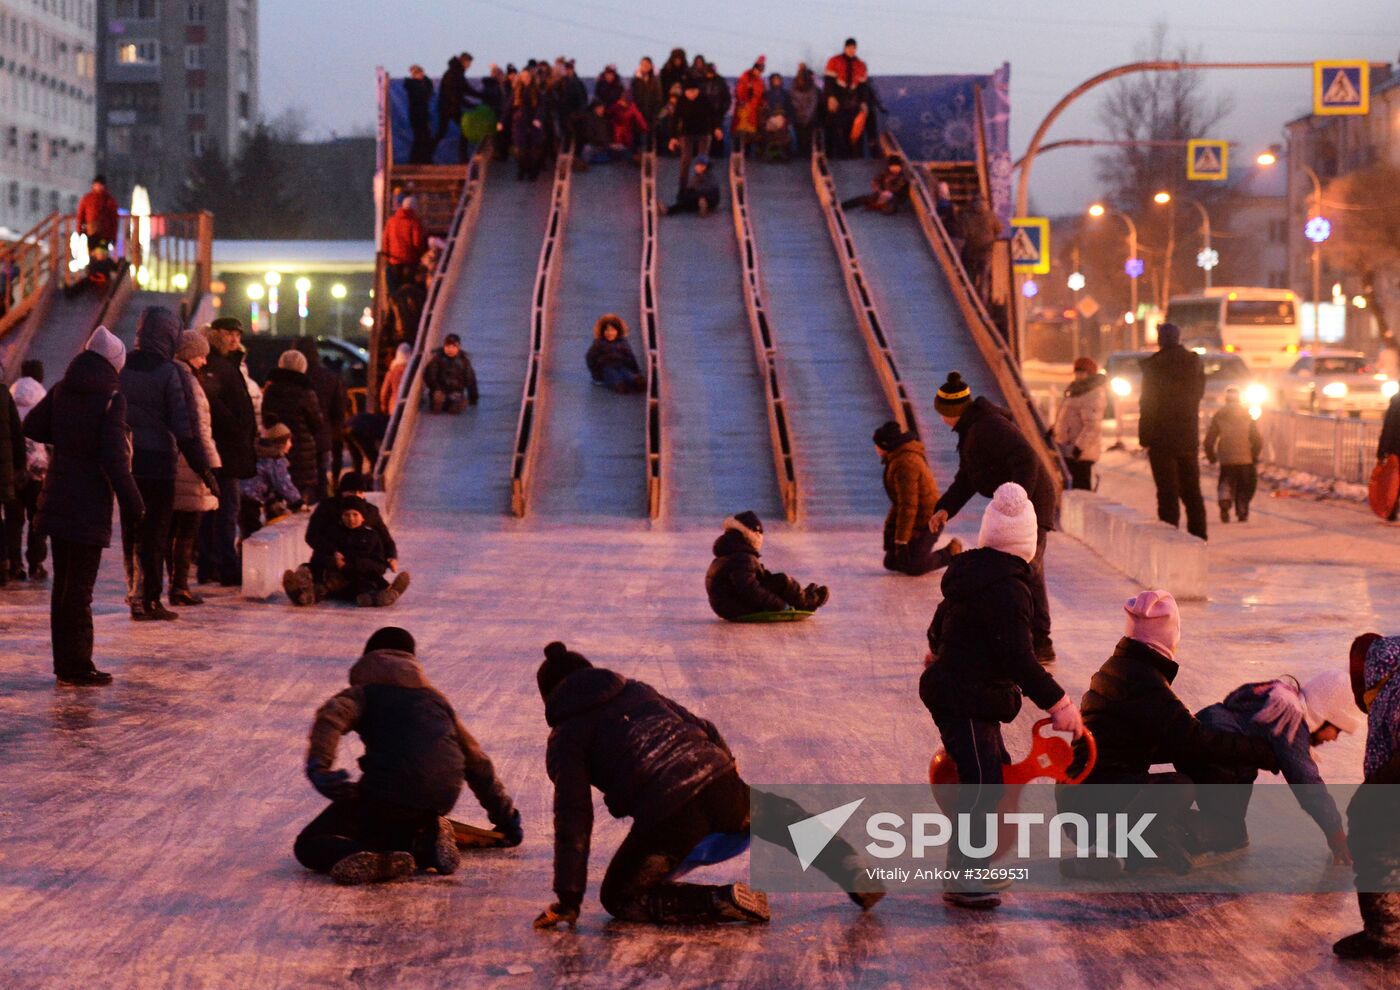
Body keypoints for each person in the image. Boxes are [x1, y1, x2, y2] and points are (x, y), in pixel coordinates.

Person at [531, 641, 882, 929]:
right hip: (719, 783)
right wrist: (726, 770)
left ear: (550, 698)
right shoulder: (637, 690)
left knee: (620, 896)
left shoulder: (566, 738)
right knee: (782, 816)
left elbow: (573, 817)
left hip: (670, 818)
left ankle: (718, 902)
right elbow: (705, 727)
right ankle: (852, 869)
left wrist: (568, 898)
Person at [920, 482, 1084, 909]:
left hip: (965, 691)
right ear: (1027, 543)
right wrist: (1060, 704)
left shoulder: (969, 576)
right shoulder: (1011, 589)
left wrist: (938, 649)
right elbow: (1018, 658)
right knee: (981, 785)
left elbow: (939, 625)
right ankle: (964, 877)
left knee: (989, 773)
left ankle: (974, 864)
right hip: (964, 696)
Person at [1059, 591, 1278, 876]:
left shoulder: (1120, 669)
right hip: (1096, 809)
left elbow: (1168, 739)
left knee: (1193, 823)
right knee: (1178, 786)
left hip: (1087, 802)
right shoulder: (1144, 682)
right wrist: (1265, 752)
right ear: (1170, 635)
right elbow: (1193, 741)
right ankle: (1105, 851)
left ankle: (1142, 849)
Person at [294, 626, 522, 885]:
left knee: (309, 844)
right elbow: (477, 762)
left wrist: (319, 767)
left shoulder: (364, 693)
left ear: (368, 659)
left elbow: (331, 717)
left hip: (389, 794)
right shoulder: (435, 699)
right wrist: (506, 818)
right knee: (389, 818)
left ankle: (364, 856)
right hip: (440, 797)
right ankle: (424, 842)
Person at [24, 328, 144, 685]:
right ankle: (79, 665)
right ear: (114, 363)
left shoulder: (63, 388)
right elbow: (114, 458)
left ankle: (65, 663)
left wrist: (68, 437)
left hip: (58, 495)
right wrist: (134, 502)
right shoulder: (110, 398)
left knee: (64, 585)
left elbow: (32, 424)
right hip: (89, 502)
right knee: (80, 589)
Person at [930, 372, 1059, 663]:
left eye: (942, 413)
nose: (940, 420)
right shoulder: (972, 430)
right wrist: (945, 508)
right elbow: (967, 478)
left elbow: (1026, 459)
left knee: (1026, 571)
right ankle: (1032, 640)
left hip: (1032, 504)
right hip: (1021, 505)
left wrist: (1017, 501)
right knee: (1023, 570)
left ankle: (1035, 643)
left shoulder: (988, 426)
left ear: (953, 411)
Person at [1179, 670, 1360, 860]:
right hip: (1214, 755)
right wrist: (1335, 833)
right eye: (1337, 730)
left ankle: (1168, 820)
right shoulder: (1290, 719)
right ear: (1323, 716)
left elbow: (1234, 702)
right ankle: (1165, 827)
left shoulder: (1279, 695)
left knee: (1231, 827)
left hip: (1212, 746)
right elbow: (1307, 784)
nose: (1333, 738)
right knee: (1230, 833)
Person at [119, 307, 216, 621]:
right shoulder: (170, 373)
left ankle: (134, 594)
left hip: (128, 463)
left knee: (132, 531)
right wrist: (204, 470)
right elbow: (185, 428)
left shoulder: (122, 366)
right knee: (155, 533)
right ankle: (150, 600)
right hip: (159, 464)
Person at [1334, 634, 1400, 960]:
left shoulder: (1394, 690)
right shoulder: (1389, 688)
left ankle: (1387, 932)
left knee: (1370, 823)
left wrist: (1375, 791)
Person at [198, 318, 257, 586]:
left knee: (216, 508)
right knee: (225, 508)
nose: (234, 339)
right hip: (224, 448)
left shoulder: (228, 363)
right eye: (228, 334)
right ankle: (225, 565)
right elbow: (213, 403)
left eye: (237, 334)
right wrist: (235, 426)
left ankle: (210, 563)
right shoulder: (214, 365)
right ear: (215, 335)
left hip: (229, 447)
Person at [1139, 322, 1207, 540]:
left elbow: (1148, 405)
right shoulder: (1194, 363)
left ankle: (1170, 540)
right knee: (1192, 493)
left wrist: (1145, 437)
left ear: (1161, 340)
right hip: (1188, 437)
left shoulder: (1154, 366)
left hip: (1161, 440)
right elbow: (1199, 394)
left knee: (1167, 494)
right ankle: (1199, 537)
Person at [167, 330, 219, 607]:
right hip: (191, 463)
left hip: (173, 462)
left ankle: (173, 584)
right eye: (200, 355)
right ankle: (180, 587)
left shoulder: (169, 375)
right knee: (186, 530)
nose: (204, 361)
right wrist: (211, 464)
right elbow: (199, 429)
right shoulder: (189, 382)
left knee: (172, 528)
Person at [286, 494, 409, 608]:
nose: (351, 519)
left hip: (358, 576)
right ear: (341, 516)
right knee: (319, 583)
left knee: (365, 585)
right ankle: (301, 594)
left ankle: (384, 595)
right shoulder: (333, 533)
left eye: (355, 515)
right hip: (333, 578)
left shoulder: (371, 537)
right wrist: (333, 560)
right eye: (347, 515)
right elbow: (319, 555)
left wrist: (353, 565)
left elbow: (379, 565)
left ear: (363, 518)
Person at [704, 511, 829, 620]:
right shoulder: (742, 558)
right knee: (783, 581)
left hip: (728, 606)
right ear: (753, 535)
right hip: (736, 608)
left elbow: (761, 578)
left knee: (776, 581)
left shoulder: (732, 554)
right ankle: (807, 602)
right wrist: (781, 606)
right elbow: (750, 590)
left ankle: (801, 596)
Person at [872, 421, 960, 576]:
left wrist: (901, 541)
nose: (875, 448)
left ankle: (951, 552)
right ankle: (911, 550)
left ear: (884, 445)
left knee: (914, 566)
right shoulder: (897, 458)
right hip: (917, 520)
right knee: (891, 562)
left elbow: (908, 506)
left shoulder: (905, 463)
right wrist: (891, 531)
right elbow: (899, 503)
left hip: (931, 520)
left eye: (877, 445)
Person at [262, 350, 327, 504]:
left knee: (278, 496)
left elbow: (266, 418)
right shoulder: (306, 391)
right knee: (300, 496)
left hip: (276, 448)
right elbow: (316, 423)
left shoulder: (271, 390)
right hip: (302, 453)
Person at [6, 361, 48, 581]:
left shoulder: (11, 392)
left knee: (14, 518)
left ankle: (14, 563)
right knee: (37, 517)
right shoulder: (42, 395)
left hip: (14, 466)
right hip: (37, 467)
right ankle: (35, 563)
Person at [295, 337, 347, 497]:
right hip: (322, 438)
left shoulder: (292, 378)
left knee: (296, 481)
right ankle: (322, 512)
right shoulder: (330, 377)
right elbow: (338, 411)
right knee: (321, 478)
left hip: (295, 439)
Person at [1204, 385, 1262, 524]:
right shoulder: (1247, 414)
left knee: (1226, 480)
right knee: (1245, 485)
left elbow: (1209, 439)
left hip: (1226, 457)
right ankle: (1242, 508)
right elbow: (1256, 439)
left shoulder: (1220, 414)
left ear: (1226, 399)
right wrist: (1254, 455)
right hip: (1245, 457)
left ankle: (1225, 498)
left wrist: (1211, 456)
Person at [1053, 357, 1107, 491]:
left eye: (1082, 371)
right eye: (1077, 371)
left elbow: (1092, 426)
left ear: (1090, 373)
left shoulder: (1093, 393)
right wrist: (1054, 430)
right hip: (1069, 450)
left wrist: (1079, 447)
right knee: (1071, 489)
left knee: (1081, 490)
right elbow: (1066, 418)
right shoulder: (1075, 391)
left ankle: (1085, 512)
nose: (1079, 375)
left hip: (1081, 454)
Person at [239, 424, 303, 538]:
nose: (291, 444)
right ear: (281, 443)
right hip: (252, 497)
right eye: (289, 441)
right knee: (252, 531)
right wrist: (298, 502)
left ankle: (243, 549)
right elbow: (283, 484)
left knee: (247, 527)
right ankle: (249, 552)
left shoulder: (261, 452)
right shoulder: (275, 458)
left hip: (242, 494)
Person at [669, 77, 723, 196]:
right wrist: (673, 137)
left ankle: (703, 187)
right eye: (689, 92)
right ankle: (682, 189)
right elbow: (675, 119)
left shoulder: (704, 99)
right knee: (685, 160)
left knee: (702, 161)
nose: (691, 95)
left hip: (703, 133)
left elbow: (713, 115)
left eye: (694, 92)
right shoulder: (682, 101)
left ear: (698, 91)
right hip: (687, 133)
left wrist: (717, 128)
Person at [823, 39, 868, 158]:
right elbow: (829, 82)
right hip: (838, 97)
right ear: (844, 48)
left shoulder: (860, 64)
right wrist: (831, 97)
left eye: (853, 48)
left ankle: (854, 156)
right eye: (849, 47)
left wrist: (863, 102)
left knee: (855, 128)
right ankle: (836, 155)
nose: (851, 50)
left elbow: (863, 86)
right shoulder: (834, 61)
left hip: (852, 100)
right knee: (837, 128)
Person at [585, 315, 645, 393]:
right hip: (605, 368)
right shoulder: (599, 343)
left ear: (618, 331)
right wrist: (595, 374)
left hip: (621, 365)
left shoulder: (622, 342)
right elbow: (590, 358)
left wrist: (636, 370)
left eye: (613, 330)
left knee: (626, 373)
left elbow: (630, 357)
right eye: (607, 330)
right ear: (602, 332)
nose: (610, 333)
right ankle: (620, 385)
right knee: (612, 374)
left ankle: (635, 381)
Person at [383, 195, 427, 297]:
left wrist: (387, 257)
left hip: (393, 262)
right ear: (414, 207)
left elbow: (385, 241)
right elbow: (417, 243)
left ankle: (393, 303)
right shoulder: (414, 223)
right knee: (412, 289)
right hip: (409, 263)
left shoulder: (391, 222)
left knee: (394, 289)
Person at [423, 333, 479, 413]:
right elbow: (430, 376)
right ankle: (436, 406)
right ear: (444, 346)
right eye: (448, 346)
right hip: (440, 390)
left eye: (453, 347)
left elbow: (470, 379)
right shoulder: (437, 359)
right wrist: (436, 388)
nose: (450, 349)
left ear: (458, 348)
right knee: (438, 396)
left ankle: (454, 407)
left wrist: (473, 397)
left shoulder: (463, 362)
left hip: (455, 392)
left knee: (458, 400)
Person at [959, 195, 1001, 299]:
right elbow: (999, 229)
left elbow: (963, 233)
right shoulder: (991, 216)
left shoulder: (966, 217)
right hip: (986, 252)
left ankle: (969, 300)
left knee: (970, 278)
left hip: (970, 251)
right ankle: (983, 302)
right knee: (984, 278)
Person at [839, 154, 910, 214]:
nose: (894, 169)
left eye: (896, 167)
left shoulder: (903, 176)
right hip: (882, 194)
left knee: (888, 208)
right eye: (892, 167)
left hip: (895, 197)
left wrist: (889, 193)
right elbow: (875, 181)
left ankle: (878, 206)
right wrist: (880, 191)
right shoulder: (886, 173)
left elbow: (898, 187)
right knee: (863, 199)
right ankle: (842, 206)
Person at [733, 56, 766, 156]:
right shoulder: (745, 77)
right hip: (744, 109)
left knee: (750, 135)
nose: (759, 73)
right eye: (758, 70)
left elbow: (760, 96)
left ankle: (747, 155)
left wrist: (762, 103)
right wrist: (743, 100)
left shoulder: (760, 81)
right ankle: (737, 154)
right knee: (740, 133)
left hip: (754, 111)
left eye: (761, 71)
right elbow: (739, 92)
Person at [436, 55, 467, 162]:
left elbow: (465, 89)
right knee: (443, 132)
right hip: (449, 108)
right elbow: (454, 93)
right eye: (468, 63)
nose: (469, 66)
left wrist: (481, 96)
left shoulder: (457, 72)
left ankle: (463, 157)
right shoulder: (453, 74)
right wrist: (468, 103)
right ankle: (463, 158)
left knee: (442, 132)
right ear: (463, 62)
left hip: (450, 107)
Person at [76, 175, 119, 250]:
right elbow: (80, 216)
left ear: (104, 186)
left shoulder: (109, 200)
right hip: (91, 232)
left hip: (105, 233)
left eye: (100, 185)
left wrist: (113, 236)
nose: (98, 187)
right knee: (92, 255)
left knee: (103, 255)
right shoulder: (87, 199)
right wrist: (79, 230)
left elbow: (114, 220)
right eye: (96, 185)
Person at [759, 73, 794, 162]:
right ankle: (769, 154)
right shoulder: (766, 94)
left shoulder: (786, 94)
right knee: (768, 129)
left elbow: (789, 107)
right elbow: (763, 107)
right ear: (771, 81)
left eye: (778, 79)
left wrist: (787, 117)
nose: (776, 81)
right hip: (770, 118)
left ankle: (783, 154)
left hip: (782, 118)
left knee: (785, 131)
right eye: (774, 80)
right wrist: (767, 117)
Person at [405, 64, 436, 165]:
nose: (422, 75)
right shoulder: (413, 86)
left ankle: (423, 159)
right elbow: (425, 94)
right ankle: (416, 160)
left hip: (421, 115)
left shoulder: (419, 84)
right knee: (420, 138)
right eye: (420, 73)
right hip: (417, 115)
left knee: (424, 138)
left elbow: (429, 90)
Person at [1378, 389, 1400, 521]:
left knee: (1395, 482)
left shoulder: (1396, 401)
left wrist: (1382, 450)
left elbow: (1389, 428)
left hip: (1397, 449)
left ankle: (1391, 509)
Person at [607, 91, 649, 158]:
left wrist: (644, 128)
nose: (622, 102)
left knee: (628, 146)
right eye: (622, 99)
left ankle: (636, 157)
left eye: (624, 101)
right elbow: (608, 113)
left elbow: (639, 118)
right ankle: (633, 157)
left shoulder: (632, 107)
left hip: (627, 130)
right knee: (619, 147)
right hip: (617, 130)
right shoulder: (616, 106)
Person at [630, 56, 665, 135]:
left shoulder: (655, 80)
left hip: (652, 114)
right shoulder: (636, 80)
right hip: (638, 113)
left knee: (650, 136)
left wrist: (656, 112)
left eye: (647, 64)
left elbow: (659, 97)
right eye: (643, 64)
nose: (645, 66)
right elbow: (633, 95)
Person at [790, 64, 819, 156]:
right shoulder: (793, 87)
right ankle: (800, 151)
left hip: (809, 116)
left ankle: (808, 151)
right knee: (798, 133)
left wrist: (807, 115)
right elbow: (792, 100)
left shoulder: (812, 88)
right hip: (798, 114)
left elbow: (813, 103)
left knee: (809, 133)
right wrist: (798, 111)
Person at [380, 343, 412, 416]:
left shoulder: (392, 371)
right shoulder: (413, 371)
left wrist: (383, 405)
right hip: (409, 406)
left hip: (394, 406)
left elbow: (384, 391)